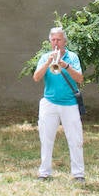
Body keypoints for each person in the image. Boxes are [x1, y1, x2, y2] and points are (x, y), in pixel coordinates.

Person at [33, 26, 85, 181]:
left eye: (59, 40)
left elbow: (80, 79)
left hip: (69, 103)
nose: (56, 43)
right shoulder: (45, 57)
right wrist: (48, 62)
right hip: (49, 103)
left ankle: (78, 174)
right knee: (46, 138)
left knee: (75, 139)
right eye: (53, 40)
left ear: (65, 41)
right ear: (50, 41)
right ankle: (44, 172)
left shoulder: (73, 57)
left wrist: (65, 65)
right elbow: (36, 78)